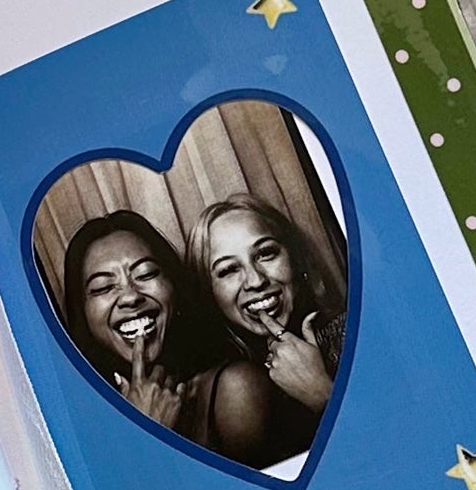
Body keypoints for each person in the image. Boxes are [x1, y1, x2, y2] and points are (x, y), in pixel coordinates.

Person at [56, 208, 315, 468]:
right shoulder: (71, 432)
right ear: (82, 312)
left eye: (146, 274)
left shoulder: (235, 389)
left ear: (173, 286)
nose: (130, 296)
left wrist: (149, 437)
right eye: (103, 287)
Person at [188, 197, 342, 434]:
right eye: (229, 270)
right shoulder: (221, 387)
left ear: (295, 259)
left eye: (265, 254)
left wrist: (321, 394)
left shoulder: (352, 335)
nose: (256, 280)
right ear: (209, 294)